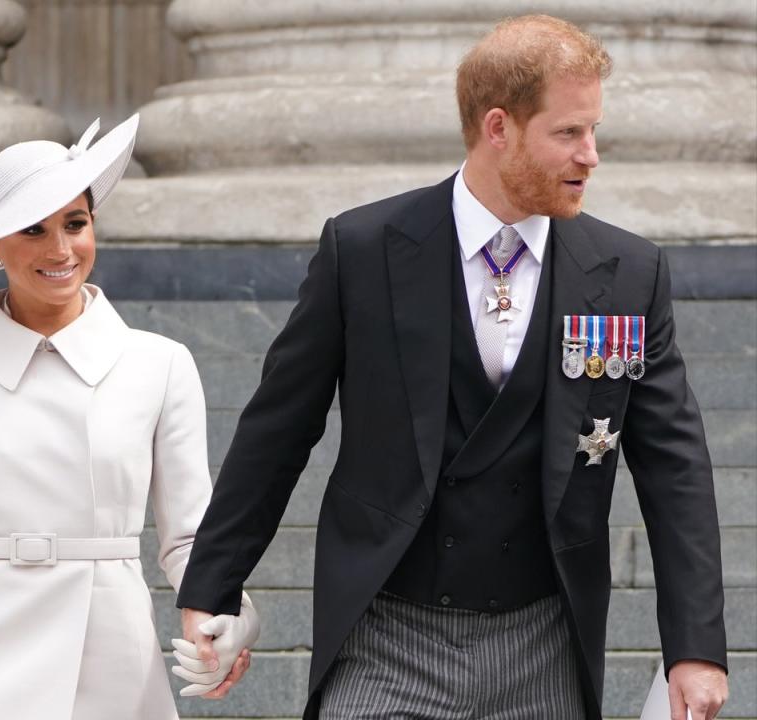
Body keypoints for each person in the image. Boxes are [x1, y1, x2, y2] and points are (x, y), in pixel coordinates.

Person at [173, 14, 729, 720]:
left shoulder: (629, 273)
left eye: (594, 132)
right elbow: (277, 431)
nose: (591, 155)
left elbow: (675, 466)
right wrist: (209, 590)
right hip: (384, 638)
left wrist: (696, 647)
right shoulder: (364, 249)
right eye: (568, 133)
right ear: (498, 128)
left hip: (544, 644)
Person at [0, 115, 258, 720]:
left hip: (105, 653)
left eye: (76, 223)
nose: (61, 250)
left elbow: (188, 539)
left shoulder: (161, 365)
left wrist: (227, 613)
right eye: (33, 229)